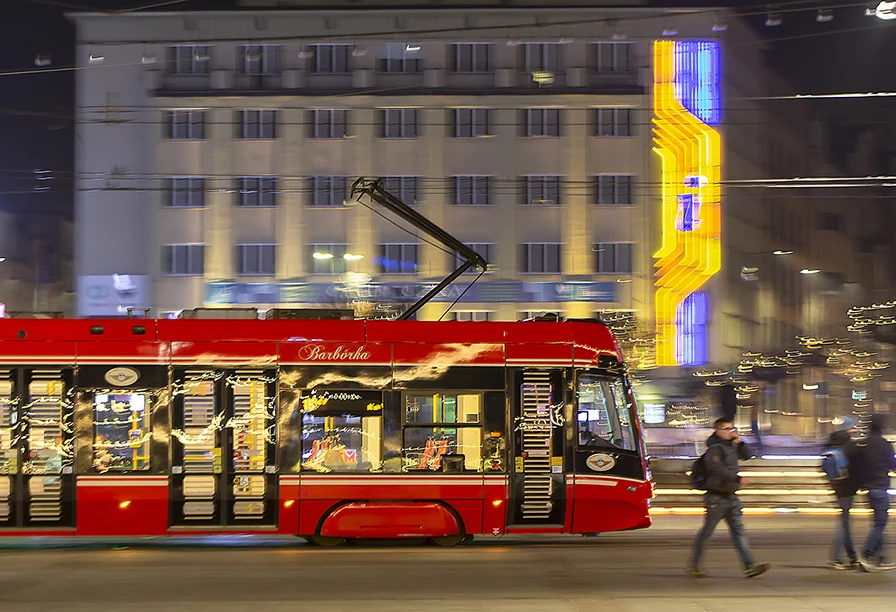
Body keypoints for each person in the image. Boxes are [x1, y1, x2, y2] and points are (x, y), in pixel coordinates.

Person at [688, 418, 770, 578]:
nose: (731, 432)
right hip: (716, 499)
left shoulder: (731, 446)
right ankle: (694, 565)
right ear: (718, 431)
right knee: (707, 533)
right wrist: (737, 478)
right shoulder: (714, 449)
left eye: (732, 429)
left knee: (739, 532)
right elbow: (716, 469)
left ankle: (750, 566)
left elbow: (747, 456)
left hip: (731, 497)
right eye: (727, 429)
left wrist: (740, 443)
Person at [851, 414, 896, 572]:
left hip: (868, 489)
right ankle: (867, 555)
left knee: (877, 523)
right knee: (880, 523)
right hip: (880, 487)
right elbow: (893, 464)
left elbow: (857, 465)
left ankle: (881, 558)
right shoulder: (884, 444)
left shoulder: (863, 444)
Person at [822, 417, 859, 570]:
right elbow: (856, 467)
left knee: (845, 522)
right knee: (843, 524)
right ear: (848, 429)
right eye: (853, 428)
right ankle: (836, 558)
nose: (855, 430)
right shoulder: (849, 446)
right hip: (847, 488)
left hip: (836, 486)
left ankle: (852, 556)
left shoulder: (832, 443)